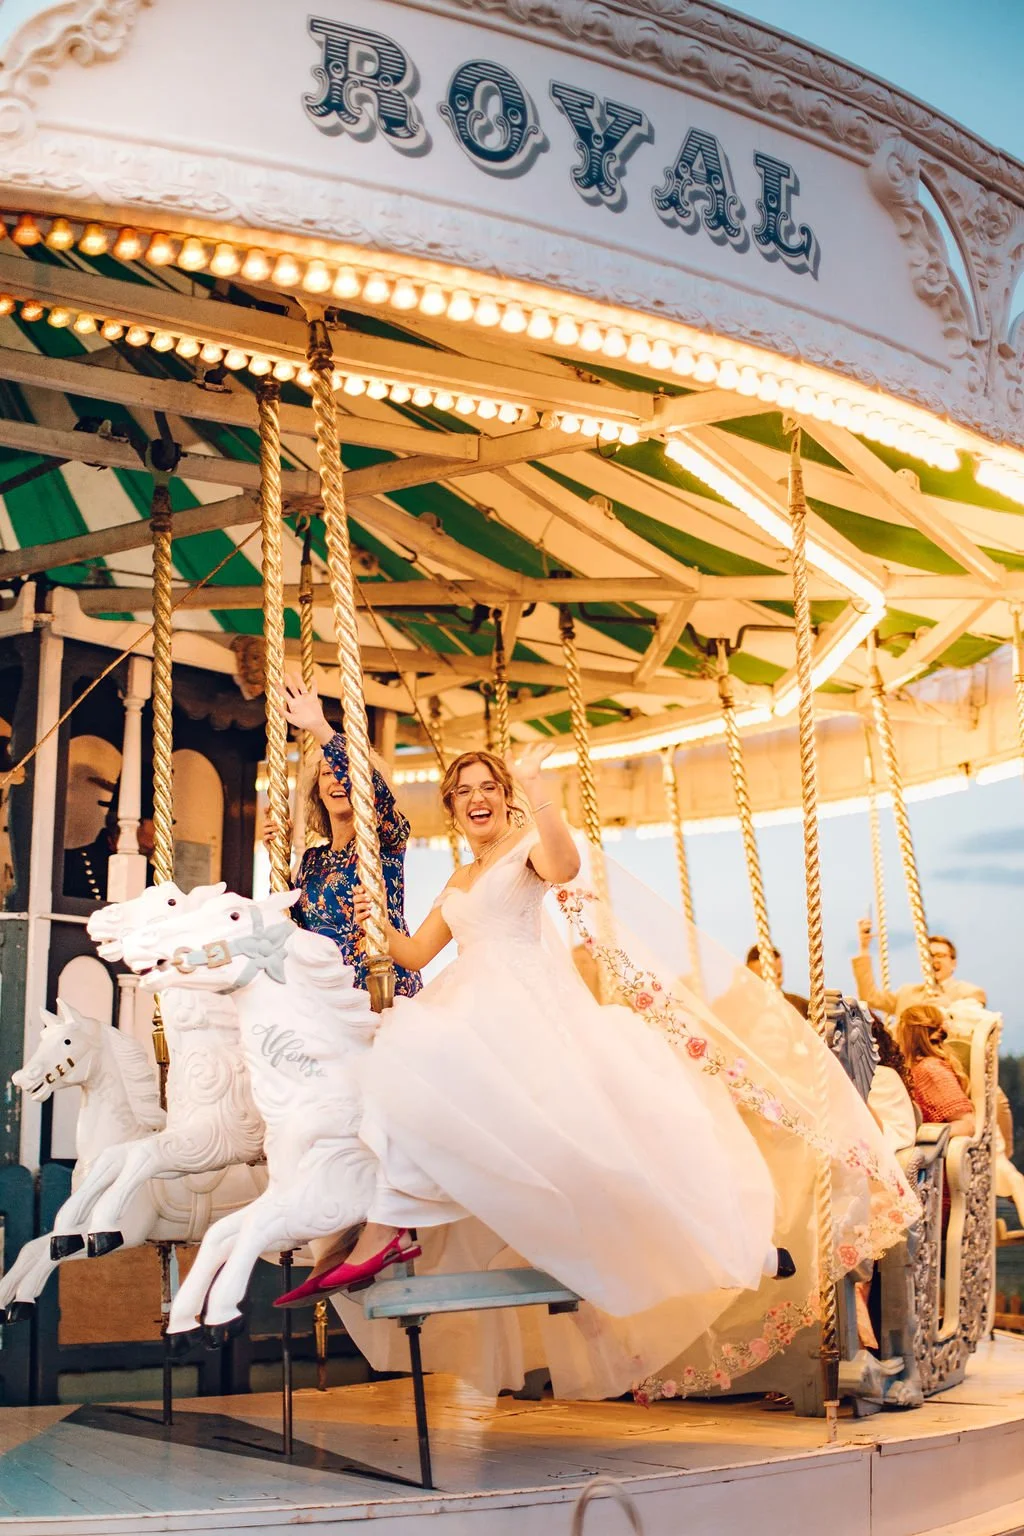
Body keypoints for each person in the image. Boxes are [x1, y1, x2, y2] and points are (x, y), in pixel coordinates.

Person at [274, 745, 918, 1403]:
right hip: (468, 1000)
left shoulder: (526, 847)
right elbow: (414, 952)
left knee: (605, 1154)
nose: (477, 797)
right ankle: (389, 1227)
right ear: (451, 806)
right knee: (404, 1066)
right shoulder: (458, 882)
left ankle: (733, 1246)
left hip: (524, 1005)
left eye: (488, 786)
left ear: (503, 797)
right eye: (464, 789)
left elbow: (565, 864)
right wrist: (373, 922)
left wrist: (539, 791)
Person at [274, 678, 421, 999]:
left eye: (344, 773)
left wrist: (320, 728)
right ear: (317, 791)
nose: (336, 780)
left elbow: (377, 795)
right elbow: (294, 926)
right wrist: (278, 854)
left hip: (379, 984)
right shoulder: (314, 859)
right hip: (327, 990)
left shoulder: (384, 840)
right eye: (327, 773)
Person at [853, 923, 986, 1019]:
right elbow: (869, 998)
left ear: (953, 963)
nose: (934, 960)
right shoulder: (907, 993)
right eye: (929, 956)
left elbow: (972, 1023)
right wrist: (864, 948)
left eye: (940, 955)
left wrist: (949, 1008)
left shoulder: (970, 993)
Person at [745, 943, 809, 1018]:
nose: (772, 984)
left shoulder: (800, 1006)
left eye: (778, 976)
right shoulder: (737, 1008)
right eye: (763, 978)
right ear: (747, 973)